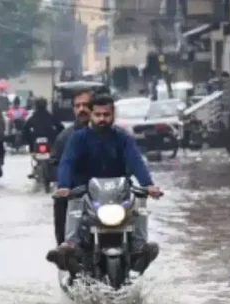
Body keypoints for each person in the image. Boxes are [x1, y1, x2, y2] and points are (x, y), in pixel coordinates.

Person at [46, 95, 162, 276]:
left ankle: (140, 247)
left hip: (119, 192)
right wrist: (64, 186)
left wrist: (149, 185)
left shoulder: (122, 137)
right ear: (91, 115)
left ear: (113, 114)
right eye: (98, 115)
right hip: (87, 192)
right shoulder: (78, 138)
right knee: (74, 199)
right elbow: (67, 163)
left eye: (106, 115)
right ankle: (71, 245)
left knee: (140, 198)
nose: (102, 119)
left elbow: (136, 160)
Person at [50, 88, 92, 246]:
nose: (82, 109)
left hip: (105, 192)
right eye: (78, 105)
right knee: (60, 202)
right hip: (75, 192)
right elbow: (56, 163)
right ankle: (64, 248)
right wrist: (64, 184)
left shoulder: (111, 134)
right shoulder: (64, 137)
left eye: (86, 105)